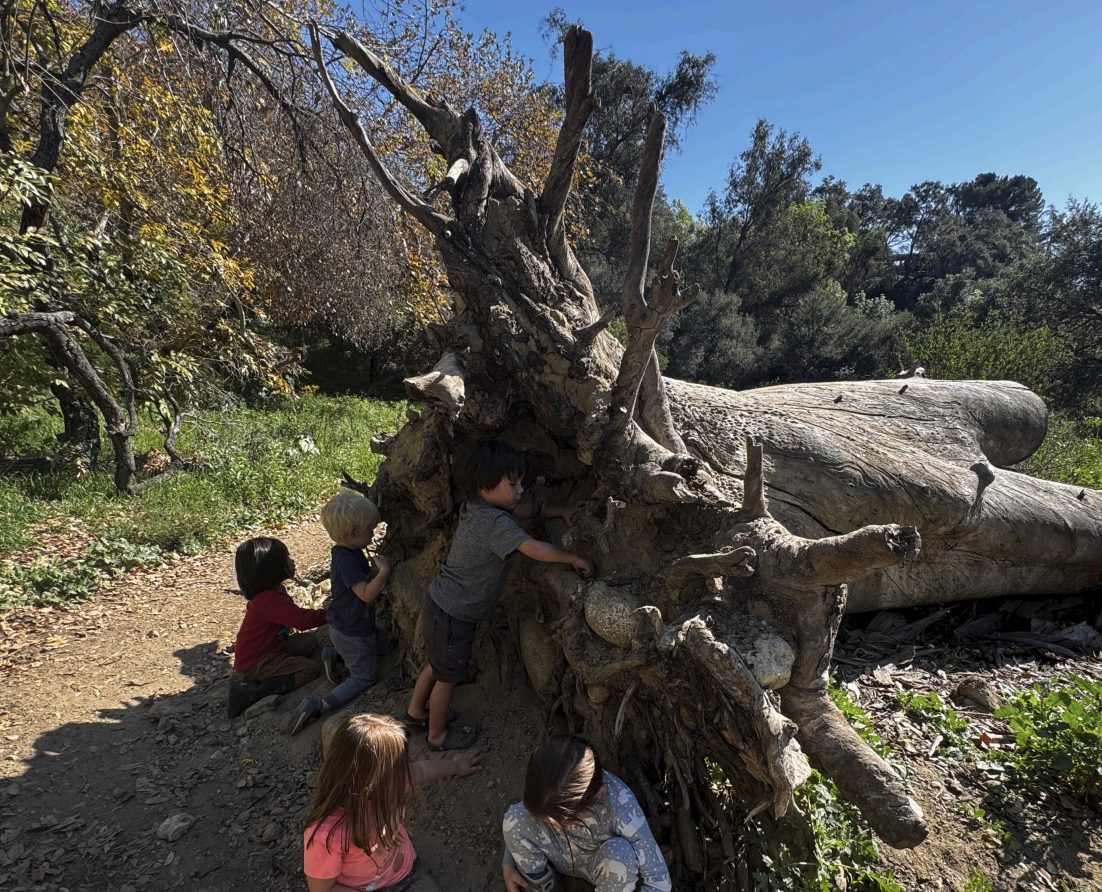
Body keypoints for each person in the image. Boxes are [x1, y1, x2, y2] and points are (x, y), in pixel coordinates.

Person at [404, 439, 593, 750]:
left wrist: (560, 511)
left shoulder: (477, 508)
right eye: (513, 483)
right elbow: (532, 547)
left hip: (441, 605)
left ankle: (414, 713)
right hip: (454, 614)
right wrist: (571, 557)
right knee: (447, 676)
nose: (520, 490)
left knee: (436, 665)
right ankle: (436, 736)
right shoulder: (493, 522)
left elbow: (523, 510)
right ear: (484, 485)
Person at [303, 713, 480, 892]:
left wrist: (457, 766)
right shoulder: (326, 834)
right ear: (373, 780)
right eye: (397, 767)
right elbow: (323, 889)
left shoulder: (391, 784)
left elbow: (422, 770)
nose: (403, 773)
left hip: (408, 872)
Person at [502, 737, 671, 892]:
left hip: (600, 865)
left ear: (598, 793)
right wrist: (508, 864)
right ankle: (542, 885)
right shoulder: (548, 788)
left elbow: (659, 883)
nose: (554, 826)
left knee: (621, 855)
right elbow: (520, 822)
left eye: (563, 820)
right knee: (514, 817)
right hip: (558, 854)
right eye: (545, 819)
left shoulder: (622, 809)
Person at [293, 489, 395, 734]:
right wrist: (383, 572)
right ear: (353, 533)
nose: (373, 535)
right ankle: (320, 706)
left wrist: (373, 572)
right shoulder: (347, 561)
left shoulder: (349, 551)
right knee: (364, 677)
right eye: (370, 530)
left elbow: (361, 581)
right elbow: (367, 594)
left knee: (388, 646)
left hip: (353, 625)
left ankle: (336, 655)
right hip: (352, 631)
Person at [227, 537, 327, 718]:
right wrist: (331, 614)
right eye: (287, 558)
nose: (292, 561)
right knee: (310, 669)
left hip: (271, 649)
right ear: (273, 568)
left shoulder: (274, 593)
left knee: (309, 641)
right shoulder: (267, 601)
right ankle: (253, 690)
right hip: (257, 663)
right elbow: (302, 621)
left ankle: (272, 672)